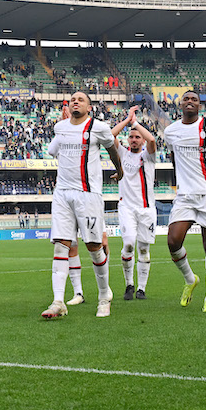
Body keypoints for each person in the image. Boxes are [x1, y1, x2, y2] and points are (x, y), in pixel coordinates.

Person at [41, 92, 123, 319]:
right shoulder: (60, 128)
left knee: (94, 247)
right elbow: (52, 151)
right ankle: (58, 301)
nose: (75, 101)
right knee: (61, 246)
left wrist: (119, 169)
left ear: (89, 107)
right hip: (62, 194)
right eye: (72, 100)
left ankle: (104, 296)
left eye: (81, 99)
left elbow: (111, 149)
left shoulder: (99, 127)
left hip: (88, 195)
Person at [161, 91, 206, 313]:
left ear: (200, 106)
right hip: (185, 195)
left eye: (194, 99)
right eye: (186, 99)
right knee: (173, 241)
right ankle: (190, 279)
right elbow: (174, 160)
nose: (190, 102)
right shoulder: (171, 131)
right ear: (180, 104)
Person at [110, 105, 156, 301]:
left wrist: (136, 122)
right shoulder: (122, 153)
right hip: (127, 207)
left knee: (144, 249)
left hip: (146, 209)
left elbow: (152, 140)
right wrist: (127, 121)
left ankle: (141, 288)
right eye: (131, 137)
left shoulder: (148, 156)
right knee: (128, 244)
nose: (134, 139)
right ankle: (129, 284)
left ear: (142, 140)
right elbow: (110, 135)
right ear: (128, 139)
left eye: (138, 137)